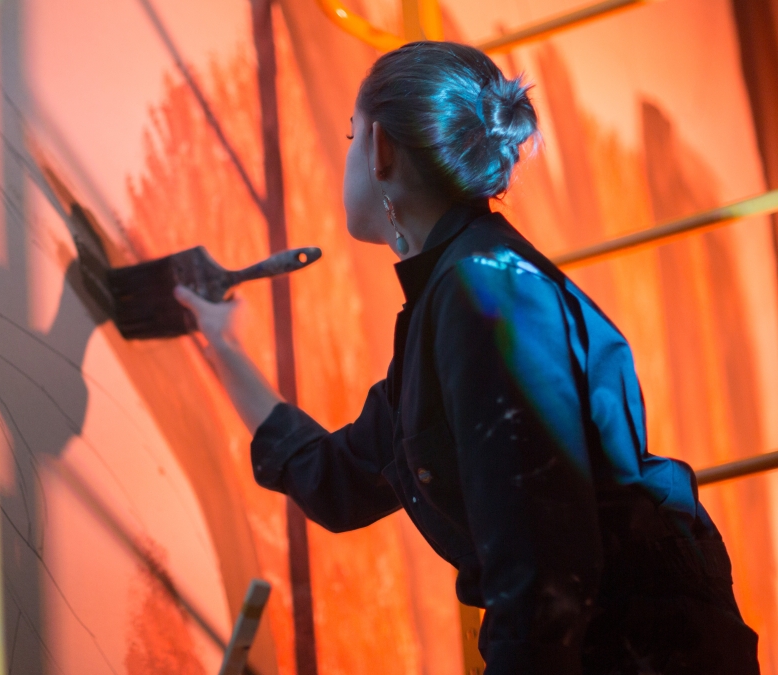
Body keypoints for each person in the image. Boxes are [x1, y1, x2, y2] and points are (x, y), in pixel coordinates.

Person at [174, 41, 760, 675]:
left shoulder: (489, 292)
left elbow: (543, 581)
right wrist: (222, 344)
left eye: (352, 134)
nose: (347, 153)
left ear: (380, 151)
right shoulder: (456, 297)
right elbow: (339, 483)